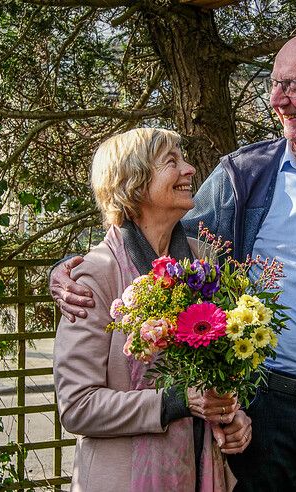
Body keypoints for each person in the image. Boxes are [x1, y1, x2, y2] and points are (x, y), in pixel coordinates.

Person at [52, 27, 296, 491]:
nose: (279, 99)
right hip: (265, 411)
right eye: (275, 83)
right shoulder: (242, 173)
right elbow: (154, 236)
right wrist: (75, 269)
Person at [53, 127, 252, 492]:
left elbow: (216, 373)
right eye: (171, 162)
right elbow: (77, 405)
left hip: (200, 473)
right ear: (134, 184)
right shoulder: (93, 276)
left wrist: (232, 414)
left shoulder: (202, 262)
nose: (190, 169)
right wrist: (175, 401)